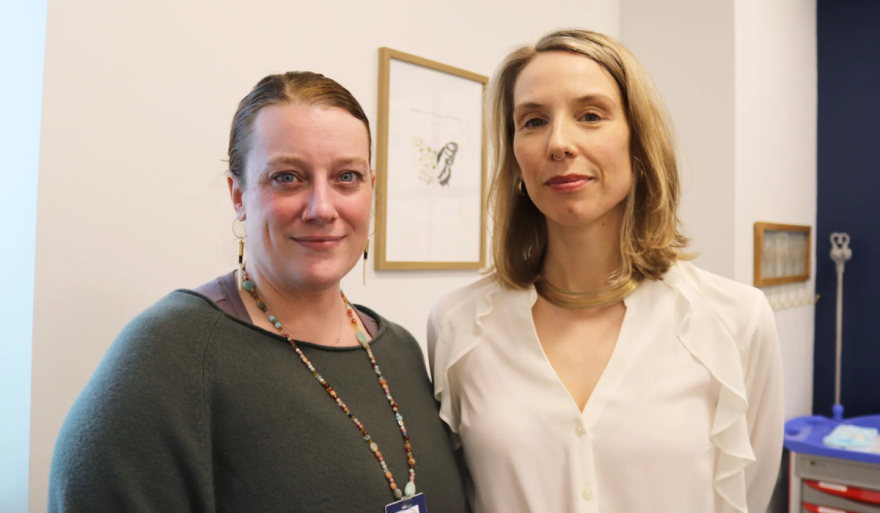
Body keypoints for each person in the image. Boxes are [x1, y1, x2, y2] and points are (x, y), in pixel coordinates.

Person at [49, 71, 468, 512]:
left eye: (347, 176)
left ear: (371, 189)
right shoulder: (170, 357)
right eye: (287, 177)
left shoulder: (400, 350)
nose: (322, 208)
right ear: (238, 195)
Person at [428, 30, 783, 513]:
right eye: (533, 121)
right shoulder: (457, 326)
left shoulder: (735, 320)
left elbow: (748, 494)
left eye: (590, 116)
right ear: (515, 157)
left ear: (638, 141)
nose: (559, 143)